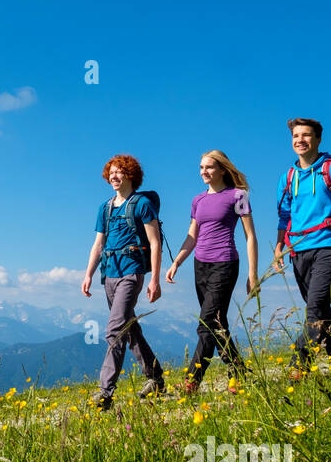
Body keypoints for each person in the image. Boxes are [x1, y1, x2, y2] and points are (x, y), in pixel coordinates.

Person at [271, 118, 331, 377]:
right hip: (298, 250)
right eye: (296, 135)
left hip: (329, 246)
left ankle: (297, 369)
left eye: (306, 135)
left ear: (318, 139)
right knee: (322, 313)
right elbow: (284, 216)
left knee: (314, 308)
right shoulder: (288, 177)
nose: (300, 140)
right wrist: (279, 247)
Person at [165, 150, 258, 394]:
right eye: (201, 167)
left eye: (209, 167)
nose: (203, 172)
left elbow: (250, 237)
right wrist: (177, 262)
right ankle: (238, 373)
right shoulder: (198, 200)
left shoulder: (238, 195)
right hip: (200, 265)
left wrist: (253, 274)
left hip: (225, 263)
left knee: (205, 323)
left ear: (222, 169)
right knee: (217, 324)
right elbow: (192, 236)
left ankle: (191, 382)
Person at [81, 154, 165, 412]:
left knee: (114, 330)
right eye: (111, 173)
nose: (114, 177)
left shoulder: (141, 204)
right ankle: (156, 379)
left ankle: (105, 393)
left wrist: (155, 280)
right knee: (129, 329)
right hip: (109, 274)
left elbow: (154, 242)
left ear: (131, 175)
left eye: (120, 172)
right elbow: (98, 244)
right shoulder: (104, 208)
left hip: (131, 272)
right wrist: (88, 274)